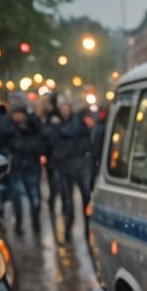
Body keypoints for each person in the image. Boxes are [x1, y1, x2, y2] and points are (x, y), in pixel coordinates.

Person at [0, 102, 47, 235]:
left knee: (34, 197)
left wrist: (31, 147)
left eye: (20, 113)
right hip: (15, 166)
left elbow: (44, 141)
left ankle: (36, 223)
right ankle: (19, 224)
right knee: (16, 197)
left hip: (31, 165)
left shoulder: (34, 125)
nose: (17, 116)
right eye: (15, 113)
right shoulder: (5, 126)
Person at [44, 98, 94, 240]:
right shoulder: (55, 124)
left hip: (80, 165)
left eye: (67, 106)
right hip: (65, 168)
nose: (65, 110)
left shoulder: (77, 122)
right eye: (62, 107)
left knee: (86, 197)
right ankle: (67, 228)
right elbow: (52, 142)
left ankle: (86, 228)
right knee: (67, 201)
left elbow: (85, 137)